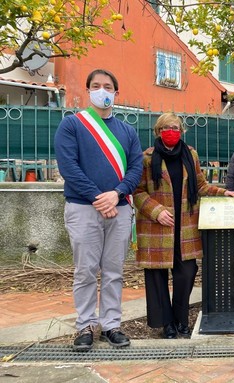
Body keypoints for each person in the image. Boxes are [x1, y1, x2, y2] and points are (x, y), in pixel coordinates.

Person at [133, 112, 234, 339]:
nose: (171, 131)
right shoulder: (146, 158)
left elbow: (201, 185)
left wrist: (223, 192)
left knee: (186, 273)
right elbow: (137, 191)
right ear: (158, 131)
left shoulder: (190, 154)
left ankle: (180, 319)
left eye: (175, 127)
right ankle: (167, 324)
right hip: (158, 227)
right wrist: (157, 211)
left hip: (185, 227)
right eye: (166, 128)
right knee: (157, 277)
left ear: (182, 130)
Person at [54, 69, 143, 351]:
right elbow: (69, 167)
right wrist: (98, 197)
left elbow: (136, 169)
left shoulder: (127, 131)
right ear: (88, 90)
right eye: (96, 86)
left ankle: (111, 325)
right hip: (83, 208)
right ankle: (85, 325)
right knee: (85, 271)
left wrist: (116, 193)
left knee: (114, 271)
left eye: (107, 86)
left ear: (117, 93)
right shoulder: (72, 125)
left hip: (119, 210)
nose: (101, 90)